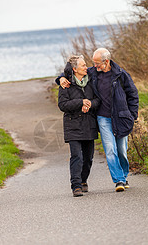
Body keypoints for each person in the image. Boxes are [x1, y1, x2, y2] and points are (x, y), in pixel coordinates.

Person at [58, 48, 139, 192]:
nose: (93, 66)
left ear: (106, 61)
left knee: (121, 150)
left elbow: (132, 94)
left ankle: (124, 175)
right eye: (93, 63)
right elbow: (72, 72)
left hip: (121, 117)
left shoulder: (121, 74)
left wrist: (133, 115)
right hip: (103, 118)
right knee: (110, 150)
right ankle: (119, 180)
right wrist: (60, 79)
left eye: (97, 63)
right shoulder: (93, 73)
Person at [57, 55, 100, 197]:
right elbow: (62, 105)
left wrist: (90, 104)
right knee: (77, 156)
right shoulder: (66, 84)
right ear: (75, 69)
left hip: (89, 124)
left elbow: (98, 100)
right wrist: (81, 102)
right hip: (73, 125)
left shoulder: (91, 81)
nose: (86, 67)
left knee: (88, 158)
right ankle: (76, 186)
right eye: (82, 65)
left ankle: (83, 180)